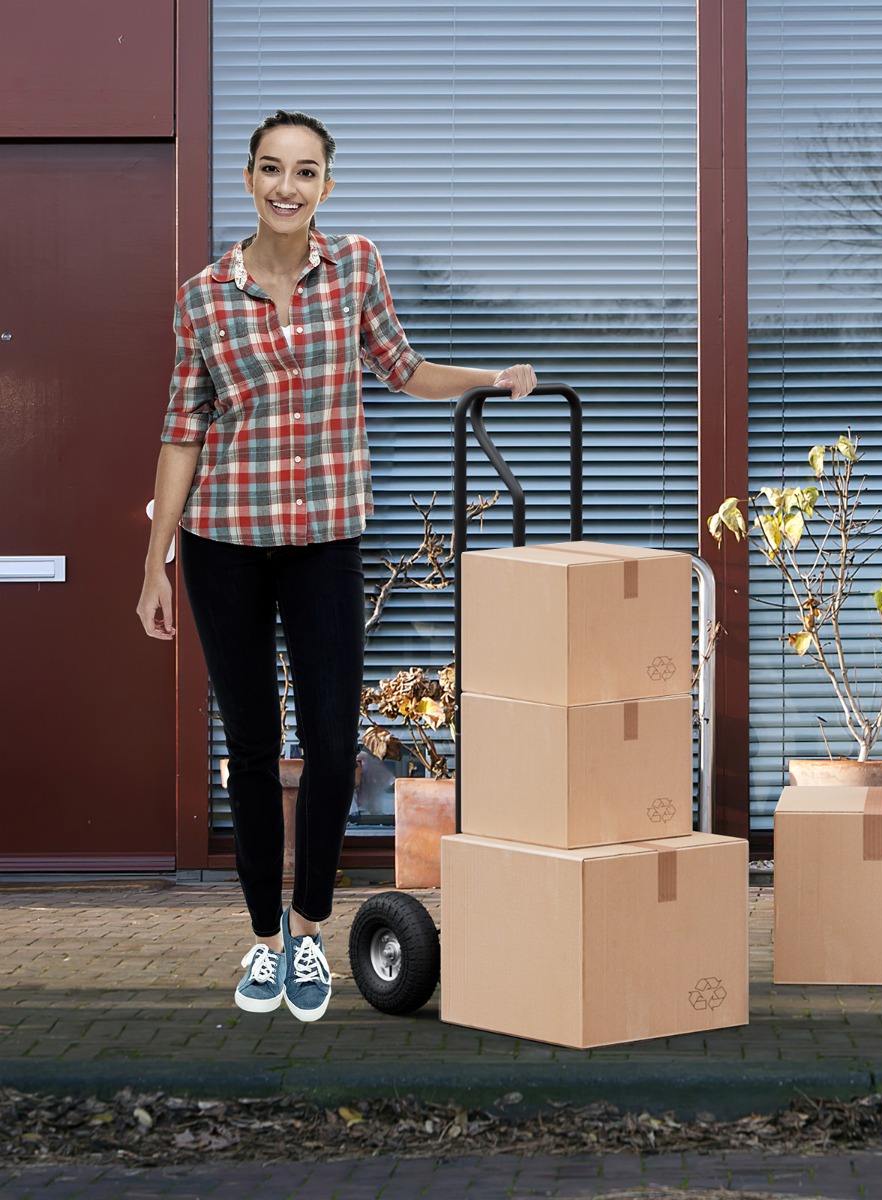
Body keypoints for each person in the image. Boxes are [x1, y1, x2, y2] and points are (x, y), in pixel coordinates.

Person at [136, 110, 536, 1022]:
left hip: (323, 542)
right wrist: (153, 563)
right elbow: (180, 435)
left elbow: (402, 368)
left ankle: (310, 933)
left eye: (305, 171)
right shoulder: (202, 298)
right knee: (246, 745)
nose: (288, 186)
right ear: (248, 180)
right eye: (272, 169)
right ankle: (263, 942)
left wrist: (490, 378)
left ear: (325, 184)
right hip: (223, 545)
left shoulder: (353, 266)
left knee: (327, 742)